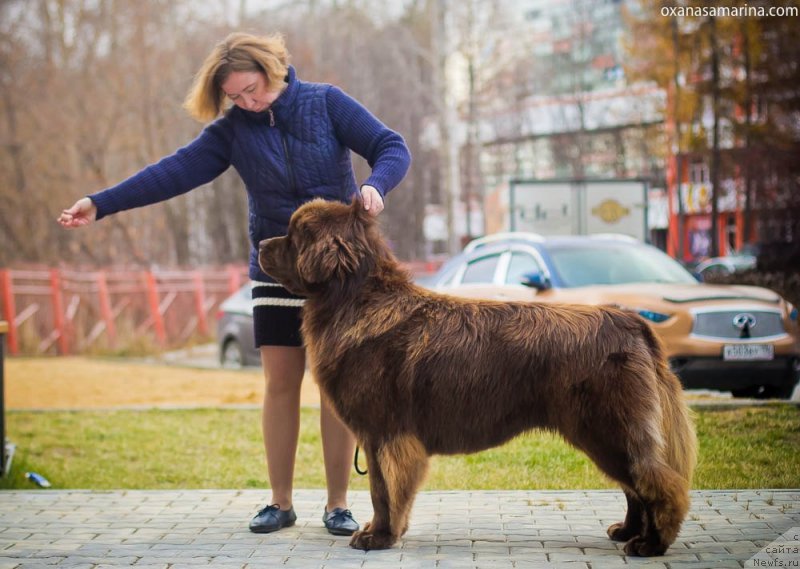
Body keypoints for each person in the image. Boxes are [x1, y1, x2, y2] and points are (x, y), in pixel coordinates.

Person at [57, 32, 411, 536]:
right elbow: (174, 172)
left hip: (339, 276)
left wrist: (376, 184)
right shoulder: (232, 131)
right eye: (235, 96)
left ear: (272, 70)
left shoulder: (326, 103)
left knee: (337, 388)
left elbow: (391, 145)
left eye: (252, 89)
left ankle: (338, 504)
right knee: (280, 384)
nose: (247, 102)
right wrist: (101, 203)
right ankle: (280, 502)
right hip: (276, 268)